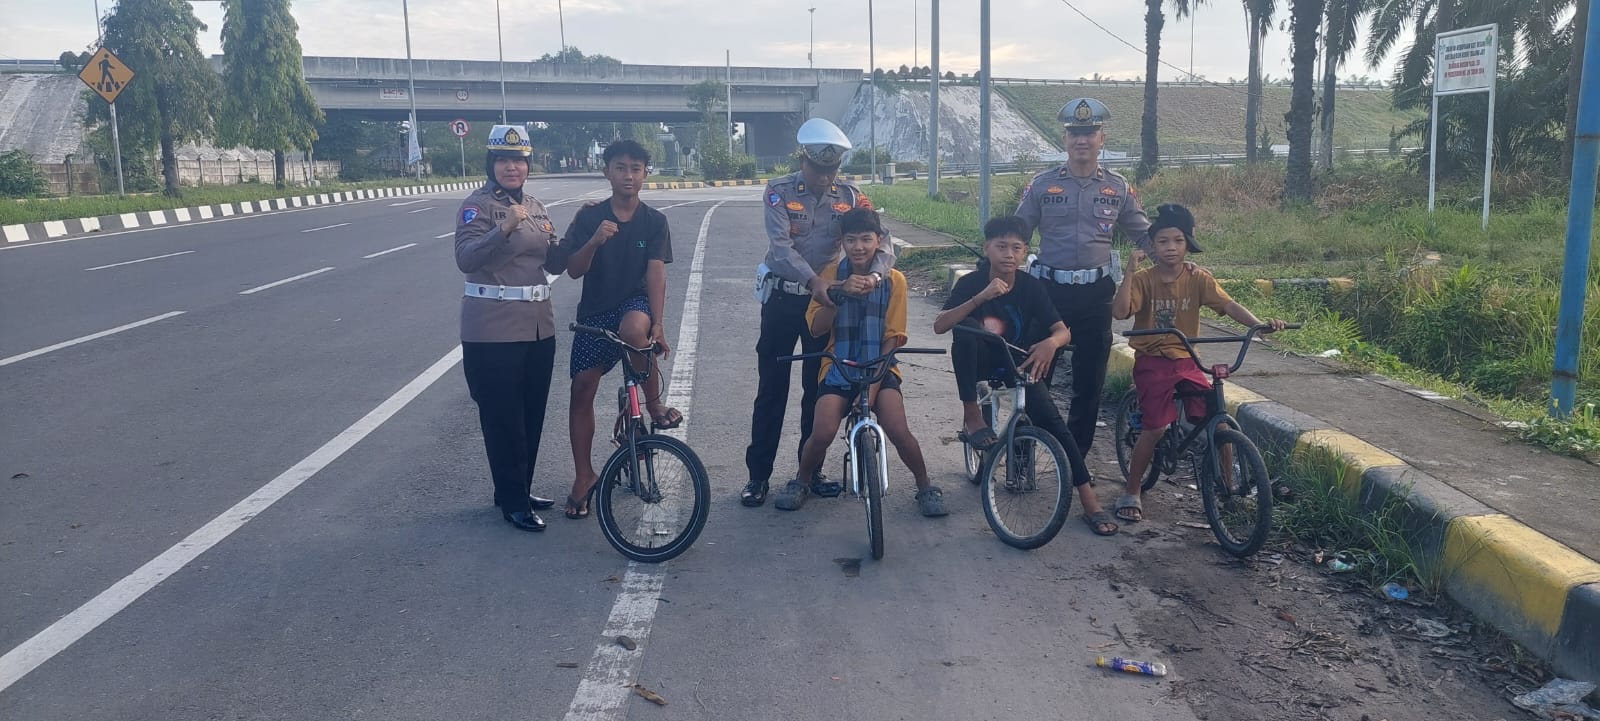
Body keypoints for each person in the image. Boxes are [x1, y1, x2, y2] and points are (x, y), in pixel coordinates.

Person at [934, 216, 1119, 535]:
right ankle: (972, 415)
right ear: (986, 248)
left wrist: (1051, 343)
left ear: (1025, 253)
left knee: (1055, 425)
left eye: (1016, 248)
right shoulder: (971, 283)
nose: (1008, 254)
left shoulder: (1032, 286)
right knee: (964, 334)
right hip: (977, 360)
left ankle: (1090, 502)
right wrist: (981, 298)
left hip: (1014, 363)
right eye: (1001, 246)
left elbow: (1062, 331)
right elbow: (940, 325)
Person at [742, 118, 889, 508]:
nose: (826, 178)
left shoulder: (852, 197)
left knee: (819, 388)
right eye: (819, 169)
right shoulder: (779, 192)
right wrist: (815, 283)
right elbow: (780, 249)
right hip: (786, 297)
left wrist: (875, 274)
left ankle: (810, 472)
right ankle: (758, 476)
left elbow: (883, 240)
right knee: (771, 389)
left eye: (832, 170)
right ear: (803, 160)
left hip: (827, 301)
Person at [1110, 203, 1287, 523]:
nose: (1171, 248)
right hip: (1152, 361)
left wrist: (1258, 327)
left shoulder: (1198, 277)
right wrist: (1130, 271)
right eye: (1163, 241)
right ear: (1152, 245)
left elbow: (1228, 305)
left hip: (1187, 360)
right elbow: (1120, 313)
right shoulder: (1145, 279)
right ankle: (1133, 488)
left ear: (1188, 243)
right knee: (1156, 428)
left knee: (1219, 422)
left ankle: (1228, 489)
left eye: (1178, 240)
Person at [772, 208, 945, 517]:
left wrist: (873, 390)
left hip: (880, 368)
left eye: (867, 239)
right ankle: (802, 480)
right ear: (842, 242)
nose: (859, 247)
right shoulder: (827, 276)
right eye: (851, 240)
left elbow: (893, 338)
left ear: (879, 241)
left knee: (898, 429)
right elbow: (816, 328)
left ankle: (925, 485)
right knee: (822, 431)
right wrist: (838, 296)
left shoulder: (895, 281)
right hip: (838, 368)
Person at [1015, 97, 1153, 461]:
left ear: (1101, 138)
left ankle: (1075, 460)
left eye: (1089, 132)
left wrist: (1179, 256)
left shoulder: (1118, 188)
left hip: (1096, 296)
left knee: (1089, 385)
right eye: (1075, 132)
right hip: (1049, 293)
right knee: (1035, 377)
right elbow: (1017, 235)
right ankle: (1025, 453)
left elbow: (1144, 235)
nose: (1082, 139)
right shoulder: (1042, 186)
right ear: (1065, 139)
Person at [545, 140, 677, 521]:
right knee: (581, 388)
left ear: (645, 174)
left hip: (633, 304)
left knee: (637, 330)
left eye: (636, 168)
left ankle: (652, 403)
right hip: (596, 310)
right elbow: (573, 269)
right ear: (607, 172)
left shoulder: (654, 221)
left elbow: (656, 272)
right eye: (620, 167)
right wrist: (596, 240)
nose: (629, 175)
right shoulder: (590, 217)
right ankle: (584, 475)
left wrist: (659, 322)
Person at [454, 124, 561, 532]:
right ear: (491, 163)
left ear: (528, 164)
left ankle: (518, 487)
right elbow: (465, 257)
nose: (512, 167)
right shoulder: (477, 206)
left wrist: (586, 236)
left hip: (537, 326)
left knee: (531, 413)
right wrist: (504, 228)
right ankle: (513, 501)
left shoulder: (535, 206)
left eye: (519, 160)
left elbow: (552, 263)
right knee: (502, 417)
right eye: (503, 159)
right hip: (492, 328)